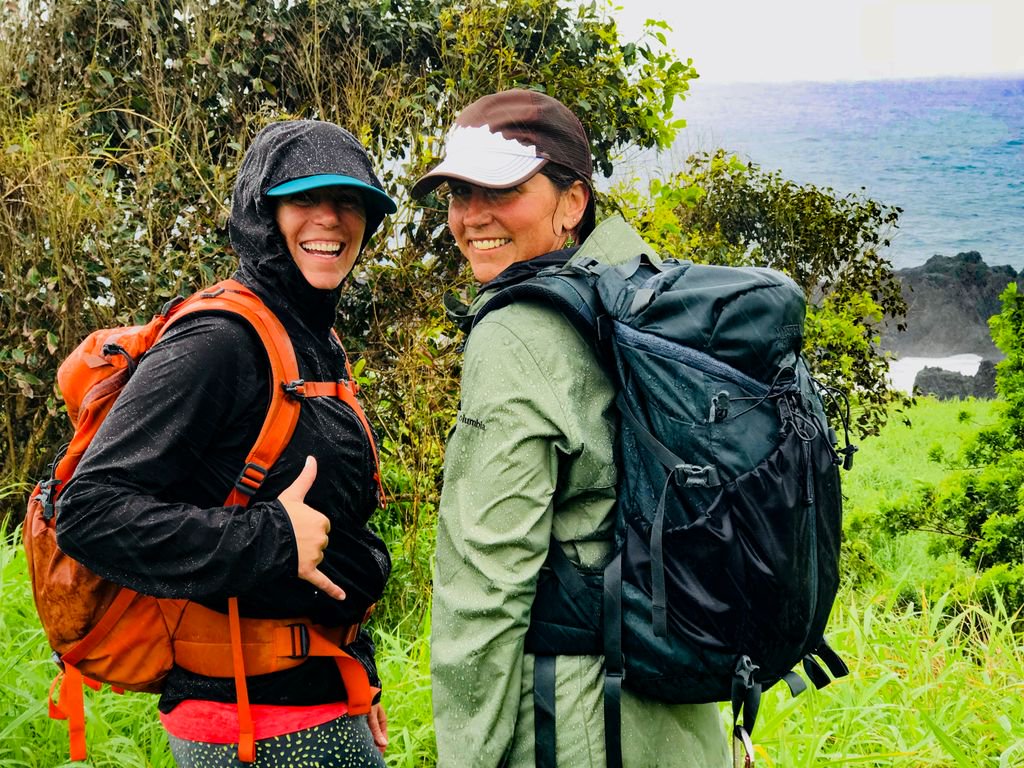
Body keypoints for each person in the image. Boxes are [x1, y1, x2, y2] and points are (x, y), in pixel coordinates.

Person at [55, 119, 397, 767]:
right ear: (261, 216)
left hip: (318, 695)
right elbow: (90, 511)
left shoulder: (314, 341)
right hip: (253, 725)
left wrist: (357, 670)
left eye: (348, 201)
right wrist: (271, 537)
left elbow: (338, 531)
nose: (330, 218)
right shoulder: (219, 340)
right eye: (303, 199)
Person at [411, 89, 731, 766]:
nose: (471, 219)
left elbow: (486, 583)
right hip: (679, 718)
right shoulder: (645, 295)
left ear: (572, 203)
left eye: (500, 191)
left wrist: (467, 756)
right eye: (458, 195)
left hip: (576, 720)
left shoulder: (516, 333)